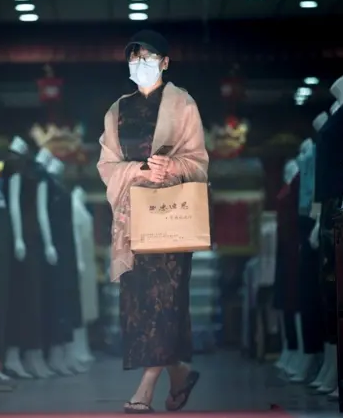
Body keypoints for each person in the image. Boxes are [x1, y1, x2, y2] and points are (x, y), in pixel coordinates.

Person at [97, 29, 209, 414]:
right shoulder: (118, 109)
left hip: (171, 219)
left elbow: (198, 162)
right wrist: (138, 171)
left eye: (147, 58)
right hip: (134, 220)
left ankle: (145, 388)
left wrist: (172, 167)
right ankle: (179, 375)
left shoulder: (183, 106)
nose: (139, 65)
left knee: (166, 302)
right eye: (134, 58)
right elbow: (106, 165)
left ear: (165, 62)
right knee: (140, 303)